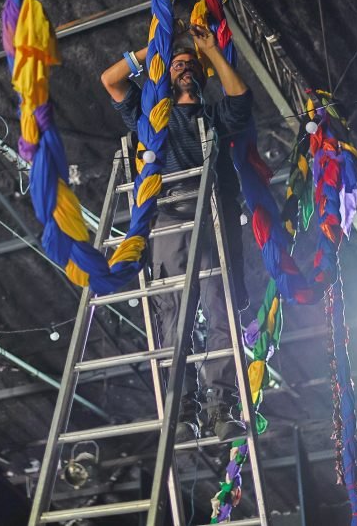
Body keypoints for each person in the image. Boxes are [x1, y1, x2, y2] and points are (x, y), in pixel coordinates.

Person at [100, 23, 253, 442]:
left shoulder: (212, 115)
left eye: (191, 66)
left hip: (210, 211)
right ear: (165, 74)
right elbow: (110, 79)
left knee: (220, 305)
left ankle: (220, 403)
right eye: (177, 65)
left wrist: (213, 54)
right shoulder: (151, 113)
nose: (185, 68)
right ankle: (183, 402)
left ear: (201, 76)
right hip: (167, 212)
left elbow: (240, 98)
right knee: (173, 309)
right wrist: (154, 50)